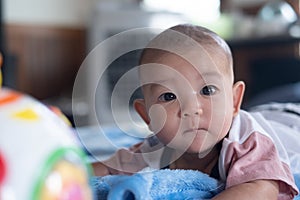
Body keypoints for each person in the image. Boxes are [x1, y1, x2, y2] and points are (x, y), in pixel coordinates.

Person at [92, 24, 299, 199]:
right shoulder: (155, 151)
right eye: (169, 96)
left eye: (207, 90)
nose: (191, 109)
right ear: (147, 116)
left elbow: (263, 188)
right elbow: (105, 168)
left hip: (289, 121)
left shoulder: (247, 141)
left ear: (234, 101)